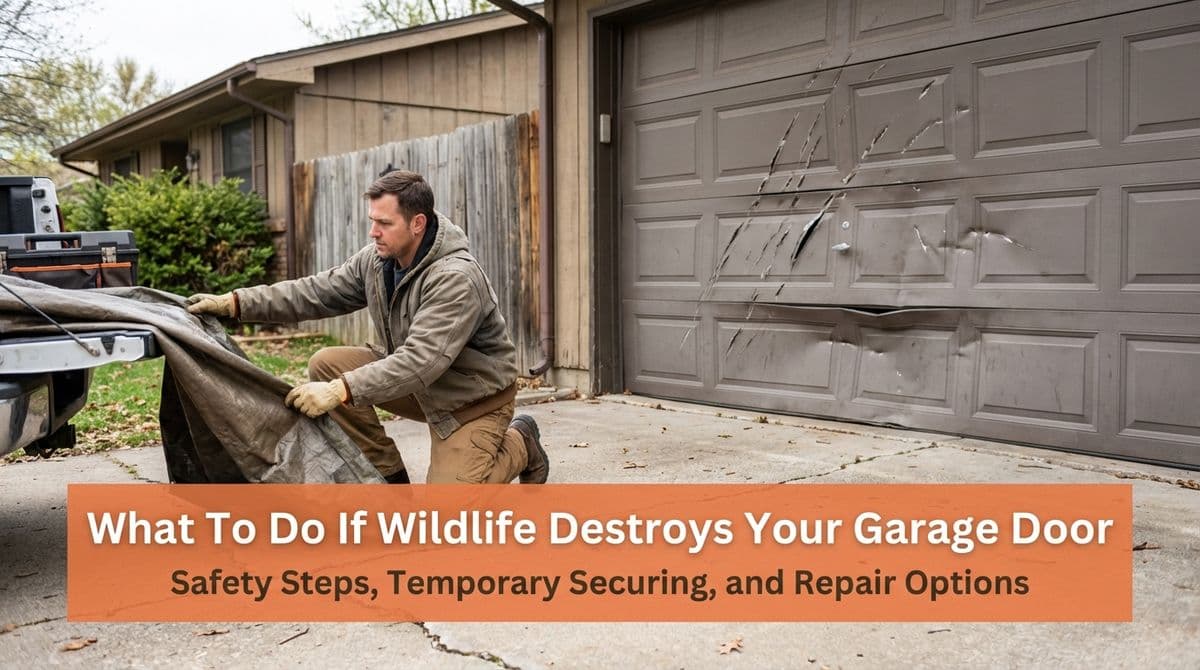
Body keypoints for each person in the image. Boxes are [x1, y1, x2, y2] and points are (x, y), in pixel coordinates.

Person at [185, 170, 547, 485]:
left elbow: (421, 361)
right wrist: (235, 303)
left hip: (471, 400)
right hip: (419, 387)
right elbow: (316, 292)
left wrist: (340, 391)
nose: (373, 232)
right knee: (328, 363)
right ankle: (387, 477)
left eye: (384, 223)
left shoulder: (455, 278)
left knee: (446, 519)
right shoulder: (378, 260)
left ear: (417, 223)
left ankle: (521, 441)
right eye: (372, 220)